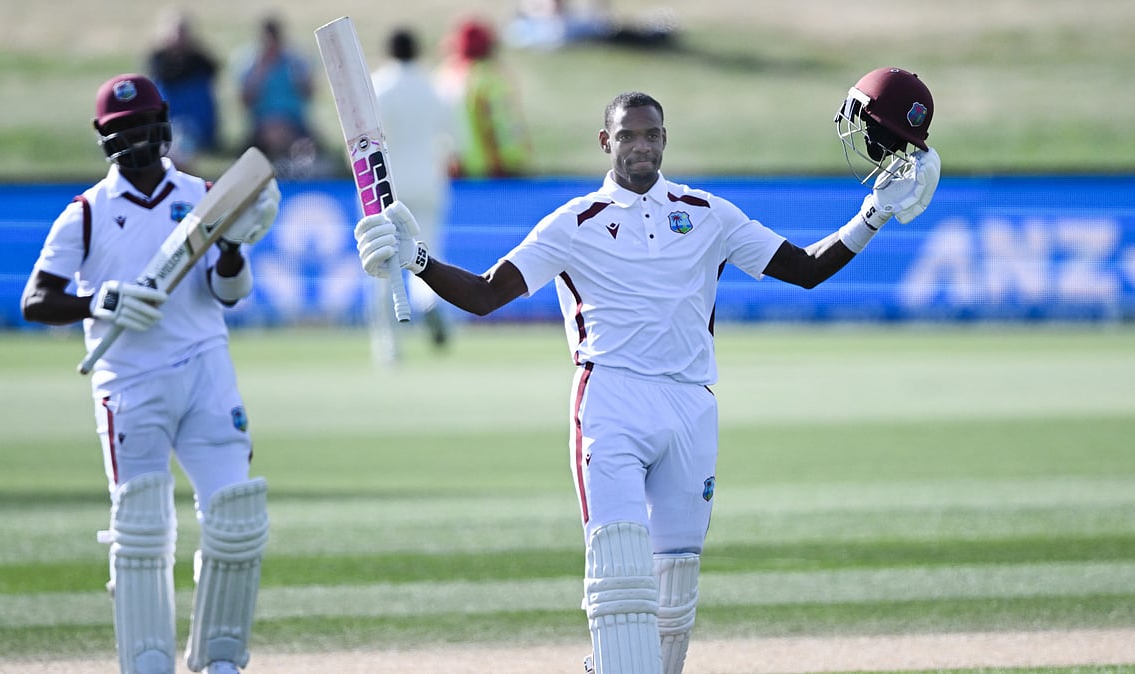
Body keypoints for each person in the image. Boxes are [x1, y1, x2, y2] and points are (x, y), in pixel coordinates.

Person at [353, 70, 940, 674]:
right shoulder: (573, 222)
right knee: (620, 579)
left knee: (674, 598)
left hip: (691, 405)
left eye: (652, 135)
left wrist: (873, 215)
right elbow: (484, 294)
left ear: (665, 139)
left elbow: (806, 269)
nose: (642, 146)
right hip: (611, 401)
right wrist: (417, 260)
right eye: (628, 135)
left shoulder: (708, 213)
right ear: (605, 142)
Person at [20, 73, 280, 674]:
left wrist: (233, 248)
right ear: (104, 136)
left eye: (143, 125)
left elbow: (230, 293)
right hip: (129, 383)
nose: (136, 138)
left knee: (235, 518)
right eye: (124, 129)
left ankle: (220, 659)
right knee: (141, 530)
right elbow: (36, 300)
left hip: (206, 371)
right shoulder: (85, 214)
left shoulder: (206, 195)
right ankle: (147, 662)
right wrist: (98, 302)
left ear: (162, 123)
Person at [368, 27, 459, 365]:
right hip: (428, 181)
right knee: (426, 255)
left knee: (384, 263)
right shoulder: (432, 85)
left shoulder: (379, 85)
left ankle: (389, 348)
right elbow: (454, 137)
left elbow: (366, 138)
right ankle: (429, 302)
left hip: (387, 185)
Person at [437, 18, 532, 178]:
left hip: (455, 171)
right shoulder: (490, 79)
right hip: (494, 171)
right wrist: (502, 164)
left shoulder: (443, 77)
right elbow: (496, 126)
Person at [233, 15, 320, 176]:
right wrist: (259, 74)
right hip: (262, 124)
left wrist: (300, 77)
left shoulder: (296, 61)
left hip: (294, 122)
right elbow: (244, 102)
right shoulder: (249, 63)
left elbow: (310, 94)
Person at [147, 9, 221, 161]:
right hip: (171, 120)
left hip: (196, 122)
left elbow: (212, 72)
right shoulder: (159, 61)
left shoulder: (200, 62)